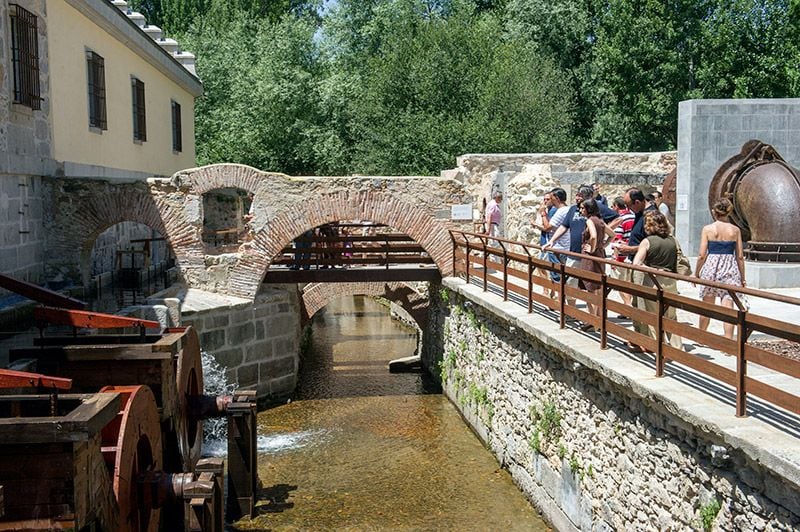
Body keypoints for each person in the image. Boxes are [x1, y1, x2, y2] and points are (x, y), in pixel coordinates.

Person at [694, 198, 745, 340]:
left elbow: (701, 255)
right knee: (728, 306)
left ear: (714, 212)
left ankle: (702, 337)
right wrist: (742, 277)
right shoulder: (735, 230)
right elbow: (740, 256)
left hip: (711, 265)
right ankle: (728, 340)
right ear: (728, 212)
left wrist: (696, 273)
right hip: (729, 267)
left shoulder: (708, 229)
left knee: (707, 304)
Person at [632, 211, 683, 351]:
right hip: (671, 281)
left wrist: (651, 269)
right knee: (671, 316)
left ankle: (657, 347)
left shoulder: (647, 242)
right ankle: (677, 348)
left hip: (653, 281)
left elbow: (637, 263)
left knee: (653, 317)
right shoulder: (673, 240)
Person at [577, 199, 608, 328]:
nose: (580, 210)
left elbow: (593, 236)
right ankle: (599, 318)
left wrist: (592, 248)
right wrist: (602, 246)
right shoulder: (600, 221)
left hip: (590, 258)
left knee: (589, 287)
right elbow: (612, 235)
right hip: (600, 256)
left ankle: (592, 319)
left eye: (583, 208)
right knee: (598, 287)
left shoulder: (590, 221)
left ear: (588, 209)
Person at [539, 187, 572, 285]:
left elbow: (548, 227)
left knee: (557, 278)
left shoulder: (560, 211)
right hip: (566, 247)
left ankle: (558, 299)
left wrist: (543, 213)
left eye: (551, 197)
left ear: (557, 198)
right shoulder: (569, 209)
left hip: (557, 248)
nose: (549, 199)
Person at [609, 196, 635, 311]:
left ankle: (628, 308)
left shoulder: (620, 219)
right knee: (629, 283)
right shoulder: (633, 216)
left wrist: (614, 258)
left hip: (621, 256)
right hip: (632, 254)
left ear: (616, 206)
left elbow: (617, 240)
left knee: (619, 283)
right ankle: (629, 307)